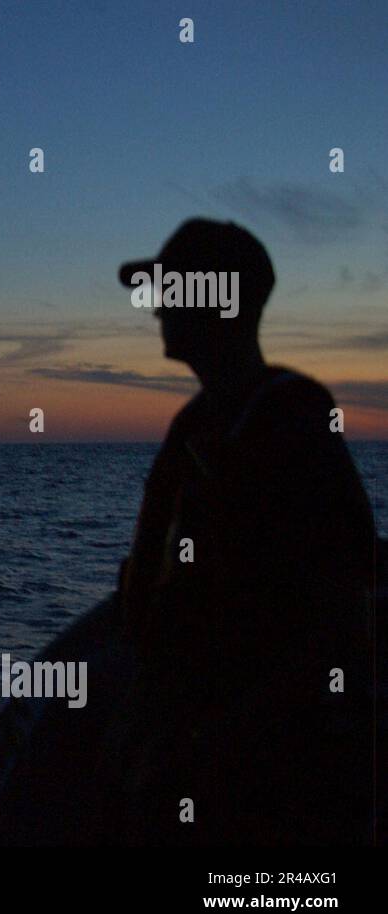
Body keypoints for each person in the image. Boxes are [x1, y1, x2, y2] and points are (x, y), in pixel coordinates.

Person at [100, 218, 375, 844]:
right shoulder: (198, 423)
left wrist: (204, 746)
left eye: (168, 289)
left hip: (262, 783)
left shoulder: (293, 423)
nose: (154, 308)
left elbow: (335, 623)